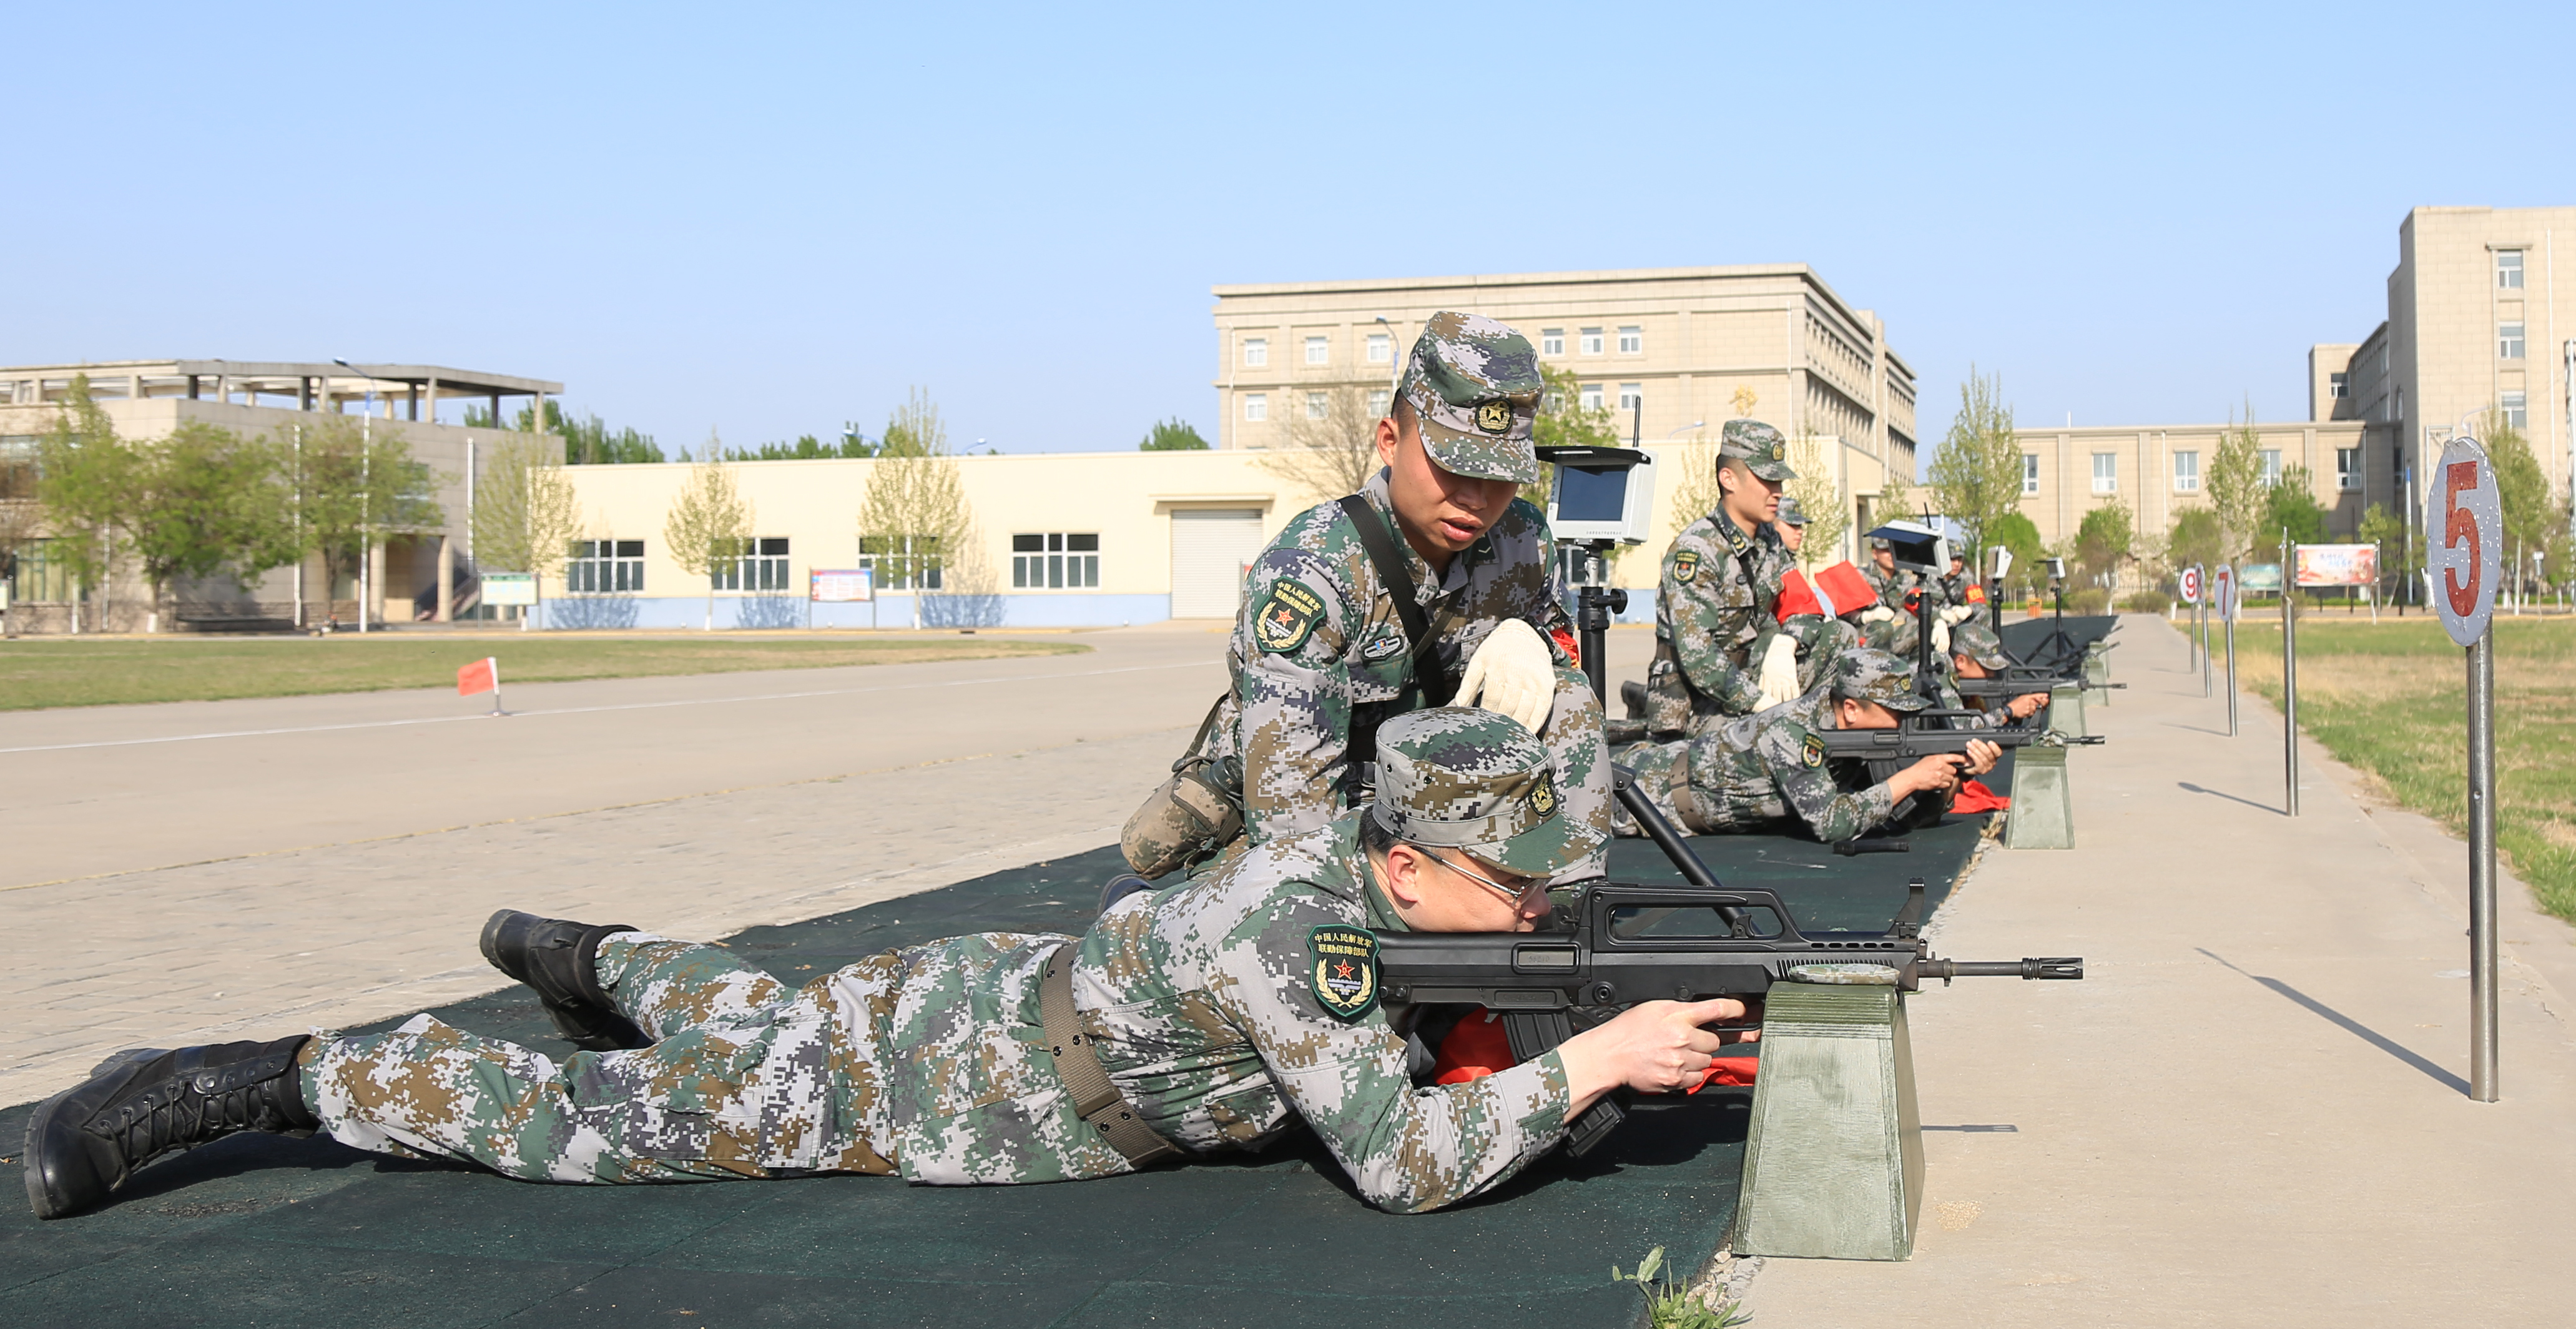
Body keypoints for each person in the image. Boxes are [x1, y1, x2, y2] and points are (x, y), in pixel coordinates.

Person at [25, 709, 1746, 1222]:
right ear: (1401, 864)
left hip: (972, 994)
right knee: (595, 1125)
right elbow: (1401, 1164)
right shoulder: (1284, 933)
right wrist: (1600, 1061)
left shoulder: (1352, 876)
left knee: (757, 1004)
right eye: (1512, 890)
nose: (1535, 913)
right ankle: (247, 1080)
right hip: (927, 1074)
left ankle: (595, 947)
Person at [1121, 311, 1607, 879]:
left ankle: (1567, 907)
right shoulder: (1312, 571)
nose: (1476, 497)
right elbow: (1292, 821)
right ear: (1389, 442)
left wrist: (1533, 637)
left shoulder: (1523, 541)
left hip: (1450, 796)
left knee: (1569, 696)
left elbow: (1561, 645)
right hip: (1335, 809)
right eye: (1453, 466)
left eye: (1499, 475)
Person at [1620, 646, 1998, 842]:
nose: (1904, 722)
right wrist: (1912, 779)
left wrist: (1951, 777)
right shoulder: (1795, 732)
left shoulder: (1852, 731)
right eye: (1894, 712)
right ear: (1851, 709)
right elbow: (1833, 824)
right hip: (1644, 798)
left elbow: (1904, 817)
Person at [1639, 419, 1797, 737]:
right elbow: (1699, 657)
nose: (1777, 492)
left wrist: (1786, 643)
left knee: (1836, 636)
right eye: (1767, 480)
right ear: (1729, 479)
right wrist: (1759, 702)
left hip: (1747, 675)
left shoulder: (1769, 540)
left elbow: (1798, 605)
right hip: (1695, 703)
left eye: (1779, 481)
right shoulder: (1697, 551)